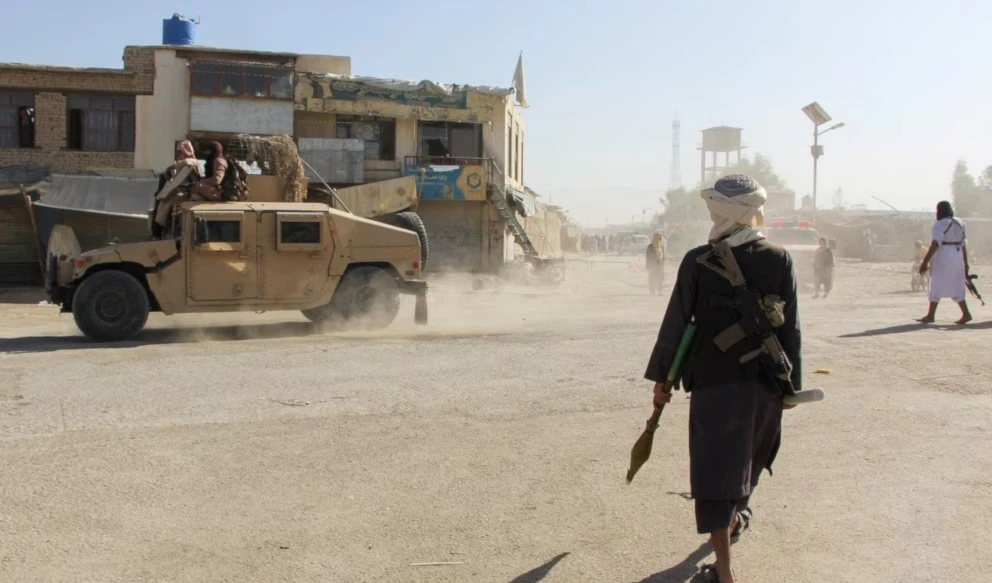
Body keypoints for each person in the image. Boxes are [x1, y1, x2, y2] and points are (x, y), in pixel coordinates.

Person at [644, 175, 801, 583]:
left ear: (722, 212)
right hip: (766, 383)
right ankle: (731, 532)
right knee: (749, 460)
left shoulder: (698, 261)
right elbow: (792, 330)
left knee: (716, 473)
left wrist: (663, 380)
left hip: (715, 384)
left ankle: (725, 571)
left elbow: (676, 323)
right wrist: (790, 387)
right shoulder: (779, 258)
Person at [918, 200, 972, 324]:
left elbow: (935, 243)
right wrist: (966, 263)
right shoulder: (961, 223)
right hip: (957, 256)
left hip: (943, 256)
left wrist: (925, 262)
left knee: (936, 283)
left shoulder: (939, 225)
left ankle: (931, 315)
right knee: (957, 284)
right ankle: (966, 313)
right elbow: (963, 245)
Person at [152, 140, 202, 238]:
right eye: (177, 152)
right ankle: (161, 229)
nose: (178, 154)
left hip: (189, 192)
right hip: (181, 190)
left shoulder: (192, 162)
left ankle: (162, 229)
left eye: (180, 152)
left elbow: (187, 164)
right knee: (163, 202)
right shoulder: (183, 164)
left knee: (168, 203)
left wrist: (171, 167)